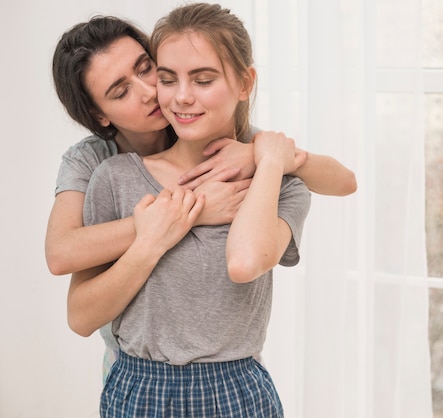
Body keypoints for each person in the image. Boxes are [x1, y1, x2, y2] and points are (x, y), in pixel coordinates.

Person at [46, 15, 355, 380]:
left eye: (148, 70)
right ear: (100, 115)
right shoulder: (99, 165)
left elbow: (342, 180)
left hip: (231, 373)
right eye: (121, 91)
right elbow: (61, 254)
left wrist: (259, 154)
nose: (151, 92)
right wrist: (184, 213)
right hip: (131, 363)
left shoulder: (238, 149)